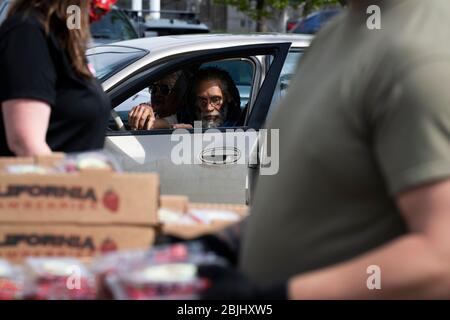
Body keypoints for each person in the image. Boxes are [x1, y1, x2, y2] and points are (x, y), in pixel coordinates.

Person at [170, 0, 450, 299]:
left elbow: (441, 258)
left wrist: (277, 295)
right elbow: (316, 202)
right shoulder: (332, 40)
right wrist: (218, 245)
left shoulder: (421, 56)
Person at [0, 0, 113, 156]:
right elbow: (25, 143)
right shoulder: (27, 31)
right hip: (47, 179)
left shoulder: (64, 36)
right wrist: (64, 176)